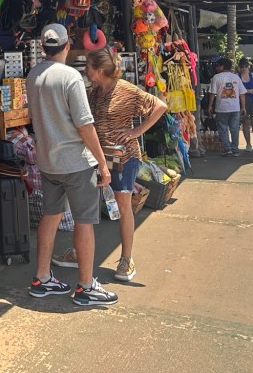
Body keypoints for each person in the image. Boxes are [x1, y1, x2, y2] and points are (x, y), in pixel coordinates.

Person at [25, 23, 116, 308]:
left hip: (48, 161)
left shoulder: (33, 74)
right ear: (66, 46)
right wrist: (102, 163)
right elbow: (85, 125)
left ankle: (41, 278)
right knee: (85, 222)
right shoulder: (71, 77)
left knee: (50, 217)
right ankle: (86, 286)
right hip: (75, 162)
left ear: (43, 47)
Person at [61, 48, 168, 283]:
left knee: (123, 204)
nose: (85, 70)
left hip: (124, 158)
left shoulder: (127, 90)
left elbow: (160, 106)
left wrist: (136, 131)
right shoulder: (93, 93)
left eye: (88, 66)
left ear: (99, 70)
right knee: (86, 205)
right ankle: (78, 252)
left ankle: (126, 258)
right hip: (96, 157)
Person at [205, 57, 246, 156]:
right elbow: (242, 93)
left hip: (221, 108)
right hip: (235, 108)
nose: (216, 68)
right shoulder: (236, 77)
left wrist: (210, 106)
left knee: (222, 128)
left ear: (222, 66)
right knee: (234, 129)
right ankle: (235, 150)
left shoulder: (216, 77)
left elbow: (212, 93)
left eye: (218, 66)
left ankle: (228, 149)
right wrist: (243, 107)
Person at [238, 59, 253, 152]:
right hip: (243, 102)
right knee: (245, 122)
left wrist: (251, 91)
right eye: (242, 67)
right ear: (239, 67)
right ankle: (248, 143)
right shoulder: (237, 76)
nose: (244, 68)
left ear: (248, 67)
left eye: (245, 66)